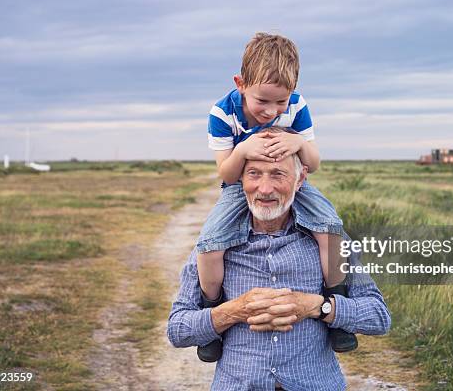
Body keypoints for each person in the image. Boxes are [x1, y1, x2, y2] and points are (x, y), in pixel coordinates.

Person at [167, 151, 392, 390]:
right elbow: (178, 329)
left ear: (300, 179)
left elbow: (378, 317)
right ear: (240, 179)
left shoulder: (330, 241)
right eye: (254, 174)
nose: (265, 189)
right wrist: (233, 311)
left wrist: (319, 306)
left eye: (278, 175)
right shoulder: (213, 246)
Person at [196, 32, 354, 362]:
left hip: (293, 180)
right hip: (240, 186)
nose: (272, 111)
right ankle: (212, 316)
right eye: (262, 101)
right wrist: (243, 149)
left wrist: (299, 144)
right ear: (240, 83)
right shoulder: (223, 114)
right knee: (210, 243)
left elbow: (314, 163)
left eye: (280, 101)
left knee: (332, 229)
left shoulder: (298, 106)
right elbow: (225, 173)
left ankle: (337, 307)